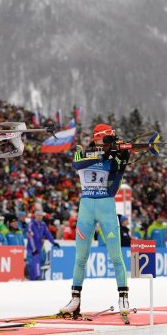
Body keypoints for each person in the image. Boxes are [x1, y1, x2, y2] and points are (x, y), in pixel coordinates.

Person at [59, 124, 131, 317]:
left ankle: (123, 296)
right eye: (108, 139)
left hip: (106, 205)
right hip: (86, 207)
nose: (110, 144)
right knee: (80, 257)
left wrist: (121, 164)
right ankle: (75, 299)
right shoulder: (81, 152)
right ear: (99, 138)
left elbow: (113, 188)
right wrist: (101, 156)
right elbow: (77, 164)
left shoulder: (113, 156)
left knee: (116, 255)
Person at [26, 210, 60, 280]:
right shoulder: (31, 224)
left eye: (41, 216)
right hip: (31, 249)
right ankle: (35, 277)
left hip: (39, 248)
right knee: (33, 264)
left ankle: (37, 277)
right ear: (35, 216)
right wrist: (34, 248)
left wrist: (53, 242)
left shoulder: (43, 224)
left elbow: (48, 234)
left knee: (38, 263)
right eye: (38, 215)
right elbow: (30, 237)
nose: (40, 217)